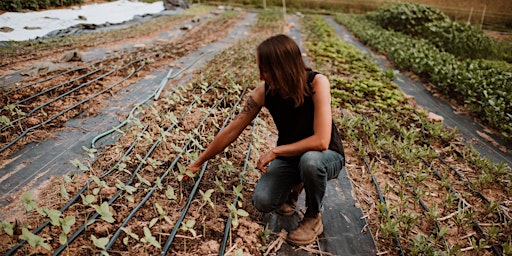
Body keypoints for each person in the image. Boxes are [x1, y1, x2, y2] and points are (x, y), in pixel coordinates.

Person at [185, 34, 345, 246]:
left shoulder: (317, 83)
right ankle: (294, 188)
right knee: (263, 201)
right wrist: (197, 163)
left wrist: (275, 152)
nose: (261, 75)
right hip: (292, 158)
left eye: (266, 69)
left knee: (311, 161)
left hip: (326, 156)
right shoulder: (265, 92)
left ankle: (313, 216)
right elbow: (232, 130)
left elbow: (321, 141)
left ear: (284, 67)